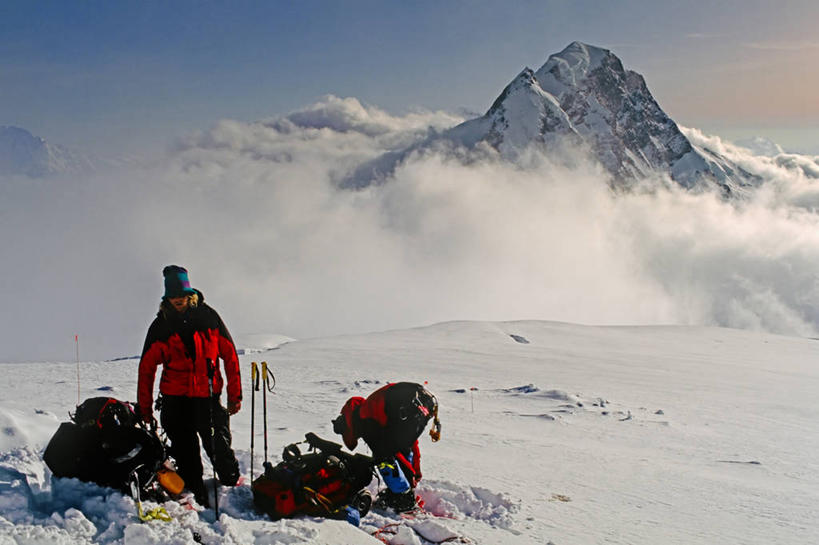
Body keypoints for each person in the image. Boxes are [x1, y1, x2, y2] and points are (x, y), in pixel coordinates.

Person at [137, 265, 242, 505]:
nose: (177, 300)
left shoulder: (208, 317)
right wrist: (145, 408)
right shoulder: (160, 326)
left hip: (208, 398)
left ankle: (233, 490)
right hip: (176, 402)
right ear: (167, 297)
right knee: (186, 457)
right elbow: (146, 369)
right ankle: (196, 493)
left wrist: (235, 395)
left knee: (220, 450)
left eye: (181, 295)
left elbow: (230, 356)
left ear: (189, 293)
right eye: (172, 296)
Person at [332, 382, 440, 512]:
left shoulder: (365, 420)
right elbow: (409, 445)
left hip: (411, 407)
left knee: (383, 460)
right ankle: (403, 492)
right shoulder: (371, 410)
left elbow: (388, 455)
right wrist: (415, 473)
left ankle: (402, 498)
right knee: (394, 450)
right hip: (423, 403)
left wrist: (410, 482)